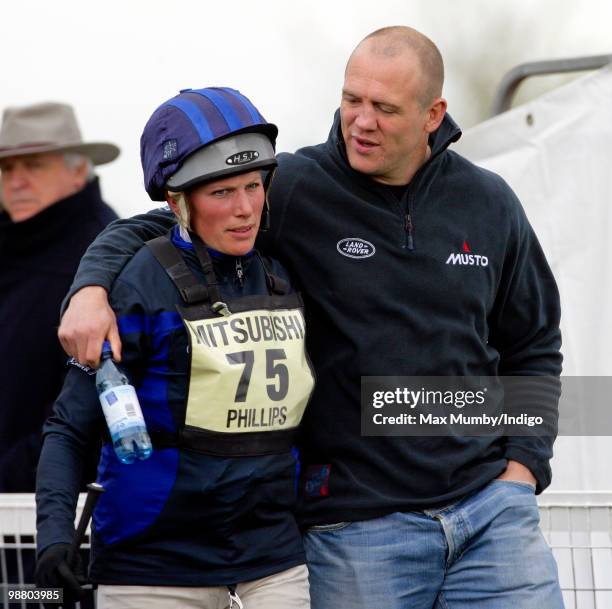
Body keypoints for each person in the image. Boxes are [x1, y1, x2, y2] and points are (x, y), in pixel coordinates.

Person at [57, 27, 564, 609]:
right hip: (358, 528)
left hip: (490, 514)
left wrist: (524, 467)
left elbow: (534, 344)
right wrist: (90, 289)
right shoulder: (294, 186)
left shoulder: (489, 200)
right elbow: (163, 225)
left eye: (385, 107)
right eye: (352, 99)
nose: (362, 120)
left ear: (433, 114)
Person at [36, 87, 313, 609]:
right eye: (222, 193)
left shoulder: (282, 270)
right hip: (153, 572)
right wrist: (54, 537)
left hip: (272, 564)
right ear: (177, 201)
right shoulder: (138, 284)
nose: (245, 209)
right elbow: (69, 427)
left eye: (254, 186)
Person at [0, 101, 119, 492]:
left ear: (78, 169)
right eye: (6, 169)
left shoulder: (105, 256)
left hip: (60, 521)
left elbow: (93, 410)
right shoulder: (13, 244)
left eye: (34, 165)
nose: (16, 181)